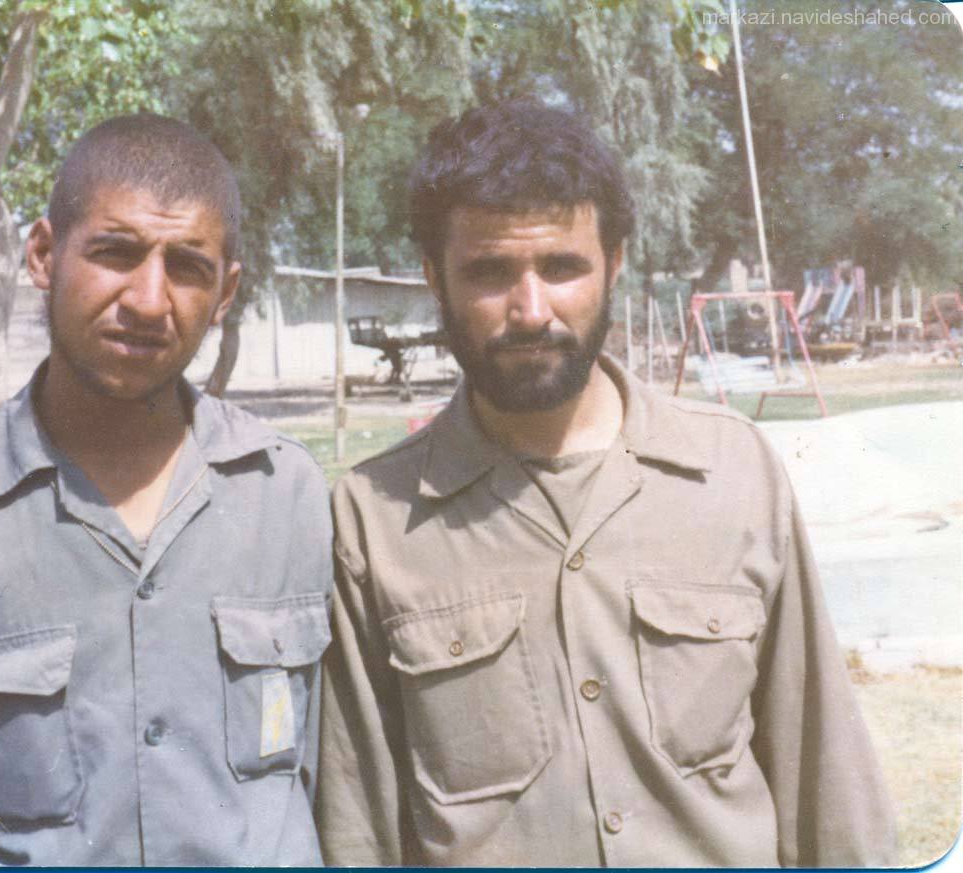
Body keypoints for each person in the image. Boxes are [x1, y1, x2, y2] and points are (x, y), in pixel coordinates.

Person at [315, 100, 896, 867]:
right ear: (434, 278)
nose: (531, 310)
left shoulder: (734, 473)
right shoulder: (372, 522)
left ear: (614, 263)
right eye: (489, 272)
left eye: (562, 267)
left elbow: (825, 780)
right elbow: (358, 829)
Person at [0, 114, 332, 866]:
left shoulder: (287, 495)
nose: (149, 299)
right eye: (115, 253)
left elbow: (330, 790)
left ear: (226, 291)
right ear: (43, 254)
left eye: (187, 266)